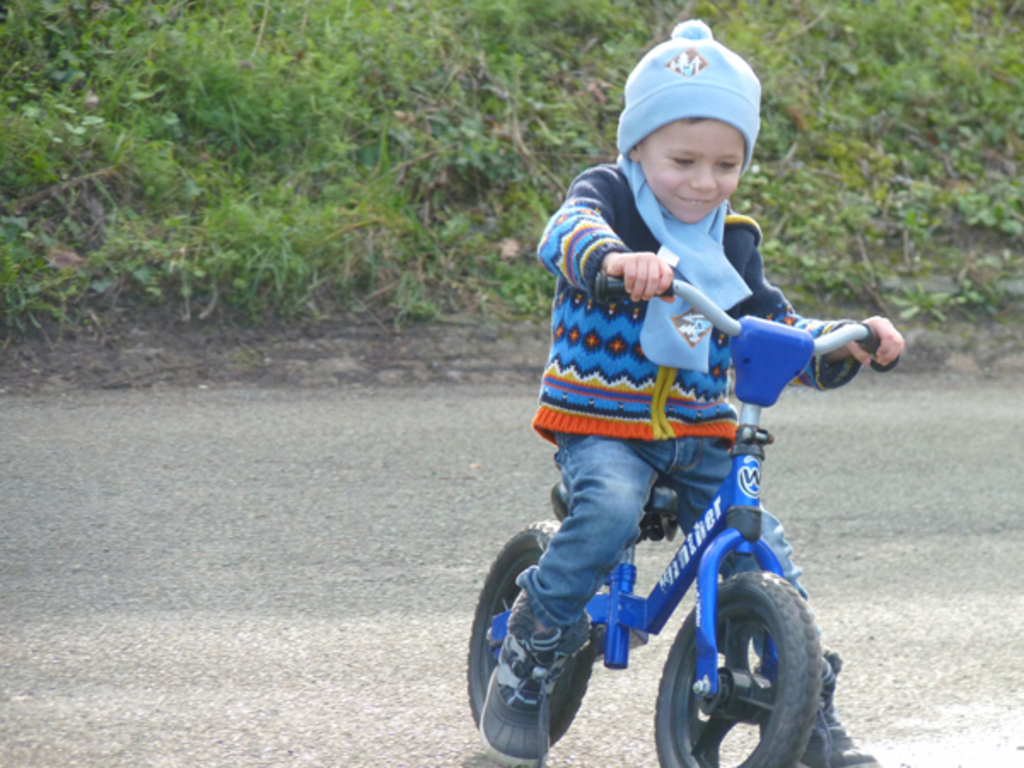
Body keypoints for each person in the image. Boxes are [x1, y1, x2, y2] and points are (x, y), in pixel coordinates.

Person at [478, 18, 905, 768]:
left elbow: (771, 328)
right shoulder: (608, 195)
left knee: (763, 548)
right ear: (638, 145)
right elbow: (563, 236)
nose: (704, 183)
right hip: (602, 420)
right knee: (607, 508)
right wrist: (616, 260)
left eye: (726, 164)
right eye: (683, 160)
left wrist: (846, 342)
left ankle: (804, 702)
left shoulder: (733, 240)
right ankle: (528, 652)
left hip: (699, 431)